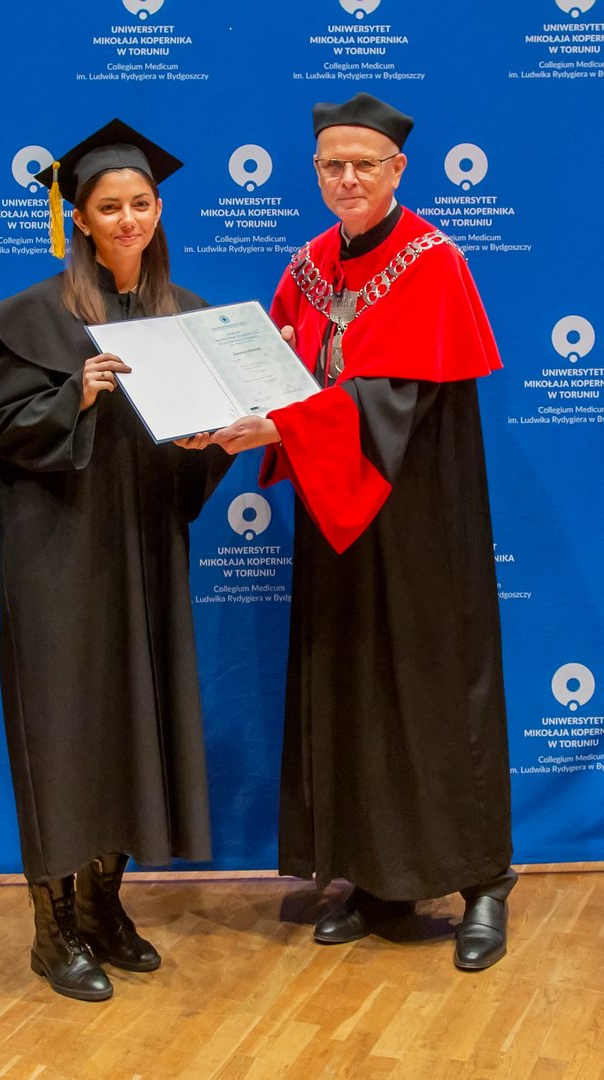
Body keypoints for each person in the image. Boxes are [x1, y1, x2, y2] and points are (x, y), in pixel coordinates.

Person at [204, 93, 517, 970]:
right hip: (336, 516)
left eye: (364, 164)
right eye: (332, 165)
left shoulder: (433, 263)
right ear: (316, 171)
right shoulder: (308, 266)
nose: (347, 178)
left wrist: (283, 425)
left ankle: (484, 879)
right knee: (354, 691)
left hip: (419, 522)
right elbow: (278, 370)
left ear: (397, 169)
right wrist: (232, 408)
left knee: (432, 690)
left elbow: (395, 399)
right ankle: (380, 879)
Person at [0, 119, 230, 1001]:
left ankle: (103, 904)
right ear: (77, 218)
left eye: (142, 204)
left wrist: (212, 438)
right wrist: (73, 396)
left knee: (135, 719)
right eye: (110, 207)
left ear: (159, 210)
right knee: (64, 724)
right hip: (60, 555)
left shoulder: (185, 314)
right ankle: (53, 932)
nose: (129, 220)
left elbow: (200, 444)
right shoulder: (32, 317)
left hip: (147, 548)